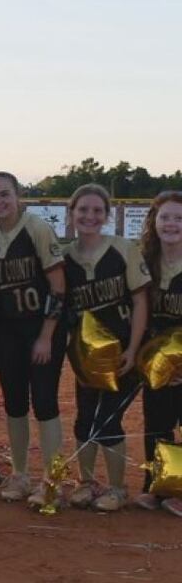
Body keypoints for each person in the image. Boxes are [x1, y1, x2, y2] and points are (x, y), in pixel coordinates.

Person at [0, 173, 68, 507]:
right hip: (8, 329)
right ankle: (20, 474)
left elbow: (59, 287)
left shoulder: (36, 228)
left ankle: (53, 480)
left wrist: (46, 336)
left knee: (45, 403)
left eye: (5, 195)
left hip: (41, 327)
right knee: (14, 403)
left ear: (18, 195)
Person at [63, 184, 148, 512]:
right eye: (83, 210)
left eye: (97, 210)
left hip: (124, 352)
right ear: (72, 214)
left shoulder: (123, 249)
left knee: (107, 420)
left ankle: (117, 488)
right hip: (86, 356)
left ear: (107, 215)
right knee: (84, 418)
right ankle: (85, 482)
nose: (90, 216)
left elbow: (141, 301)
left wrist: (134, 347)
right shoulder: (66, 257)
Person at [137, 191, 182, 517]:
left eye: (179, 218)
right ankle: (158, 486)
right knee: (157, 422)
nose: (172, 224)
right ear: (154, 222)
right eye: (165, 217)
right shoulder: (146, 261)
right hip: (154, 359)